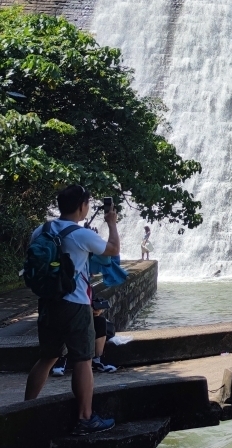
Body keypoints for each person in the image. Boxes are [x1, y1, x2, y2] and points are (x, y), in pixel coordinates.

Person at [24, 185, 121, 435]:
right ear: (82, 206)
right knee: (83, 360)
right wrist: (112, 223)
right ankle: (85, 418)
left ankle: (25, 410)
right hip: (75, 305)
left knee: (47, 357)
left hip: (48, 303)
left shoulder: (41, 230)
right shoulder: (81, 234)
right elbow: (113, 250)